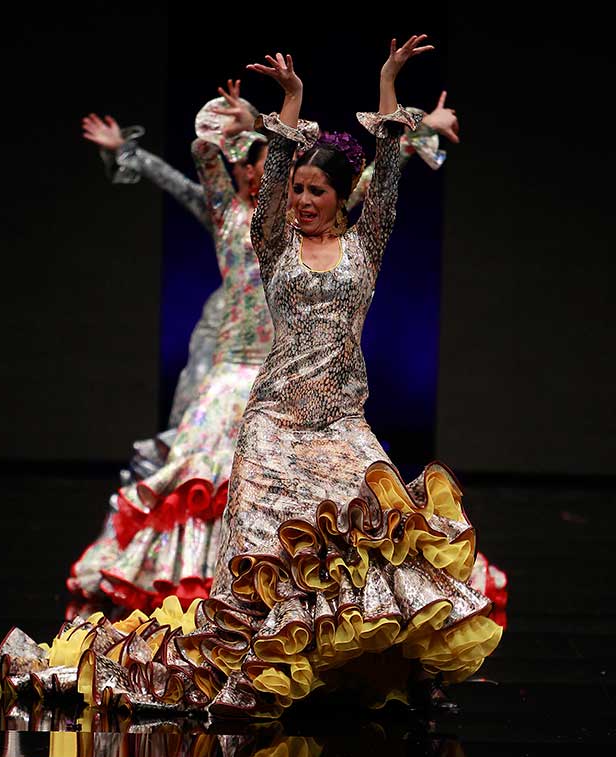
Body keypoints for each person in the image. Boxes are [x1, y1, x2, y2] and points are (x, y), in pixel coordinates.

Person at [0, 33, 502, 719]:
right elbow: (253, 178)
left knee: (383, 538)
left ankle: (410, 673)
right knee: (263, 560)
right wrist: (289, 104)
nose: (301, 200)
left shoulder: (365, 243)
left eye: (315, 191)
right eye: (295, 189)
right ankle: (258, 663)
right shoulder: (272, 241)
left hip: (340, 422)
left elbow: (386, 171)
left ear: (341, 198)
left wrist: (389, 84)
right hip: (273, 422)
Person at [69, 82, 465, 613]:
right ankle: (209, 591)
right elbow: (198, 162)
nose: (251, 175)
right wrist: (158, 143)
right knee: (212, 481)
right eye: (246, 166)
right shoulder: (247, 223)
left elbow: (377, 181)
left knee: (347, 509)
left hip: (324, 393)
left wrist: (417, 129)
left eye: (259, 165)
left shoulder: (331, 234)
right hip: (245, 377)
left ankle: (333, 610)